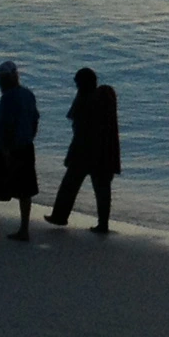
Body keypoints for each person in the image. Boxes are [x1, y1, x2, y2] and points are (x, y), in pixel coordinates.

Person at [48, 67, 120, 233]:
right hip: (103, 152)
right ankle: (103, 224)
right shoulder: (105, 95)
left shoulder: (89, 99)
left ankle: (60, 216)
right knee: (102, 190)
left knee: (70, 184)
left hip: (85, 151)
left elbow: (77, 121)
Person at [0, 60, 41, 240]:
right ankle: (24, 229)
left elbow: (6, 125)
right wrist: (29, 138)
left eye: (3, 79)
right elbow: (35, 120)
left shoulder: (8, 98)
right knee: (25, 189)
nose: (1, 83)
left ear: (13, 77)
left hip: (9, 149)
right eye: (0, 79)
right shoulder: (28, 94)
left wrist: (5, 150)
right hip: (26, 147)